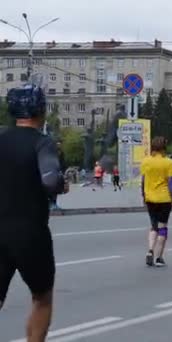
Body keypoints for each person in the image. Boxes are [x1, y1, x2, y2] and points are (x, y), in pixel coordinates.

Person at [0, 83, 68, 342]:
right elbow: (50, 180)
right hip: (30, 234)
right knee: (41, 297)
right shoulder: (42, 143)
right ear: (41, 111)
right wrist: (61, 183)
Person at [141, 137, 172, 267]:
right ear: (164, 148)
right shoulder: (168, 163)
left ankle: (150, 250)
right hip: (164, 199)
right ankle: (159, 258)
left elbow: (143, 181)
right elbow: (170, 184)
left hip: (150, 198)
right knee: (163, 228)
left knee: (153, 226)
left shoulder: (145, 162)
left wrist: (143, 197)